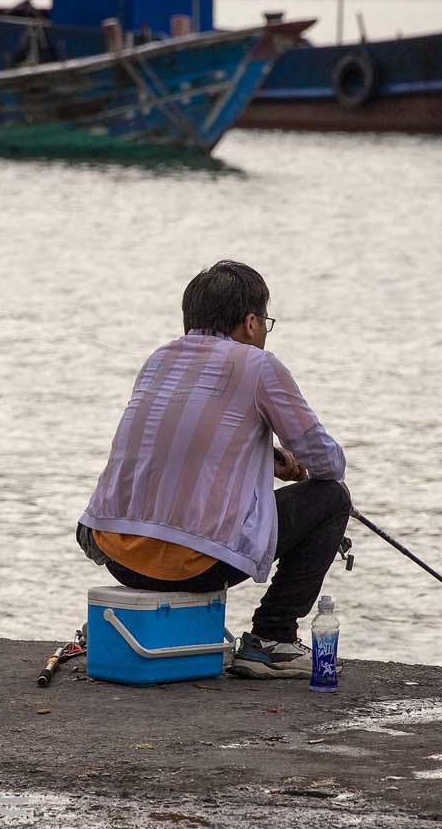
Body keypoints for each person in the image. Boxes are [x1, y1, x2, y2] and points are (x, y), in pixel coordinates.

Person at [77, 260, 350, 678]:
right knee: (332, 498)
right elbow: (326, 462)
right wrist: (297, 465)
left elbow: (185, 442)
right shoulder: (259, 366)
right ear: (251, 322)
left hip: (116, 551)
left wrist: (268, 458)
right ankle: (270, 638)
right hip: (193, 565)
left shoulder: (159, 359)